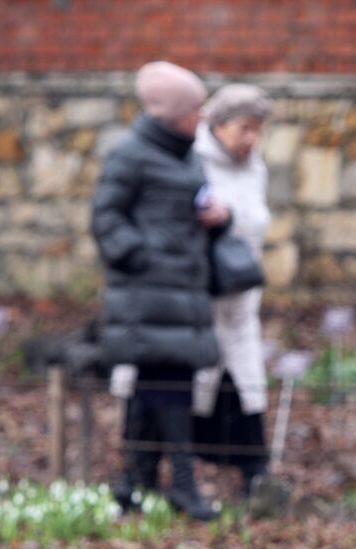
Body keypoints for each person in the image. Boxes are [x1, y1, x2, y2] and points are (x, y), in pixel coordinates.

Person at [92, 61, 230, 522]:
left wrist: (216, 221)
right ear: (171, 113)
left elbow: (183, 214)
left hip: (183, 295)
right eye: (195, 109)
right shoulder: (131, 155)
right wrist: (145, 258)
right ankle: (183, 486)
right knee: (170, 388)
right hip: (151, 296)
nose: (203, 117)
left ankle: (132, 483)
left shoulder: (186, 155)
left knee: (154, 390)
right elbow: (106, 219)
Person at [191, 84, 281, 503]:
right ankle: (188, 469)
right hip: (204, 297)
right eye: (244, 128)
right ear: (220, 125)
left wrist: (234, 217)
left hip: (243, 299)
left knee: (246, 382)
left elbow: (255, 221)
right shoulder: (193, 159)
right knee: (200, 381)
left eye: (257, 130)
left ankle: (253, 473)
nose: (251, 140)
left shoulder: (255, 167)